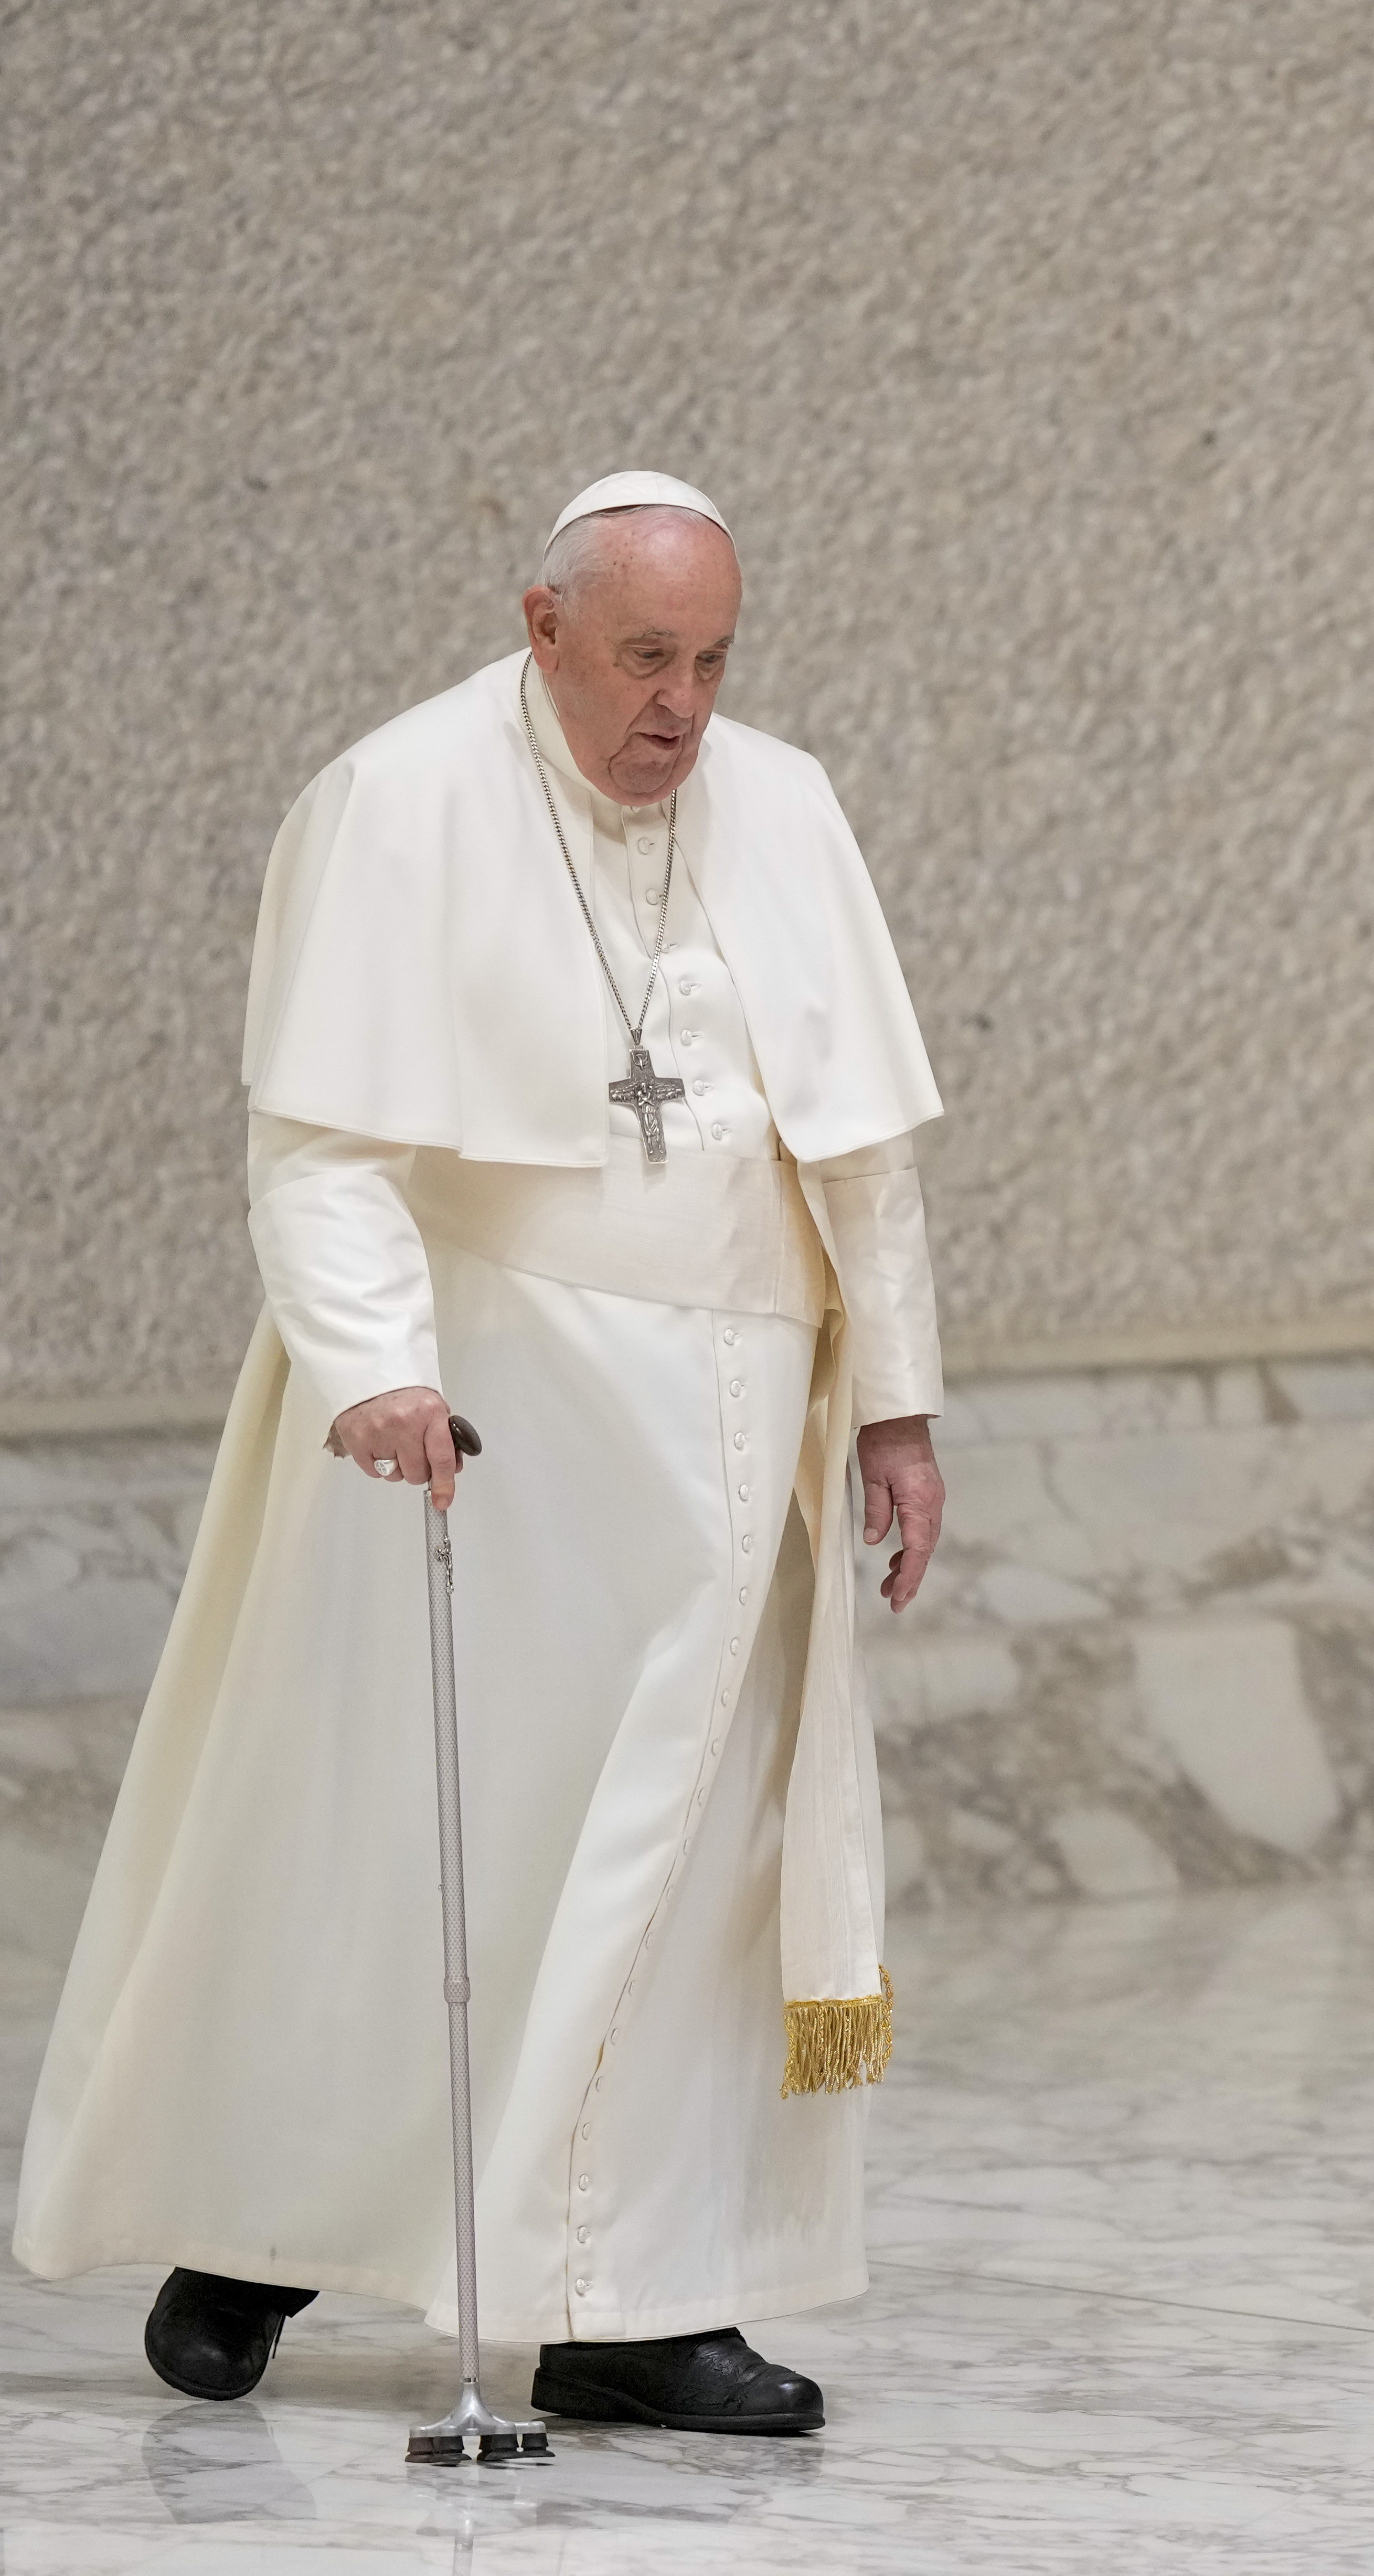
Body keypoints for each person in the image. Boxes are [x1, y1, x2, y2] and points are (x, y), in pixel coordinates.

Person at [13, 472, 949, 2437]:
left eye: (709, 660)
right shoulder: (399, 801)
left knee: (685, 1869)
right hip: (478, 1415)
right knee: (411, 1832)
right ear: (542, 627)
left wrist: (895, 1405)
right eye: (642, 659)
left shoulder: (780, 804)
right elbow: (326, 1142)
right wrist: (370, 1363)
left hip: (730, 1427)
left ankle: (630, 2301)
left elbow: (859, 1149)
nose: (680, 708)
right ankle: (263, 2221)